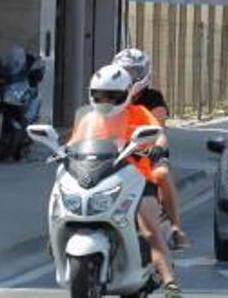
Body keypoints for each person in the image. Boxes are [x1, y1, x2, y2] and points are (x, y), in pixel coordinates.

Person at [72, 65, 181, 298]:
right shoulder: (88, 119)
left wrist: (158, 150)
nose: (105, 100)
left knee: (148, 225)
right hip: (100, 178)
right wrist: (62, 152)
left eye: (112, 95)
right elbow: (74, 145)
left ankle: (169, 280)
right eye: (99, 95)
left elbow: (159, 134)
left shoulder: (139, 113)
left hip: (137, 178)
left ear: (125, 94)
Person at [113, 48, 189, 250]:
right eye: (124, 71)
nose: (129, 76)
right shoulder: (110, 95)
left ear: (144, 74)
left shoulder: (153, 98)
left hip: (146, 154)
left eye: (134, 72)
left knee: (162, 174)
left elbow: (159, 127)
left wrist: (158, 148)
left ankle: (175, 228)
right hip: (113, 153)